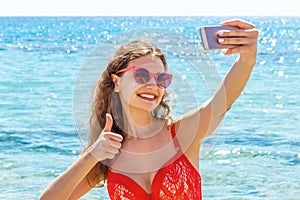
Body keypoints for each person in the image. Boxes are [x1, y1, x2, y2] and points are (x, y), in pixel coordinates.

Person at [40, 19, 259, 200]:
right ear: (116, 81)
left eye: (161, 79)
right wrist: (92, 155)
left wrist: (247, 58)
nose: (153, 86)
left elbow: (222, 102)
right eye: (141, 75)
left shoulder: (182, 134)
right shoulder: (108, 153)